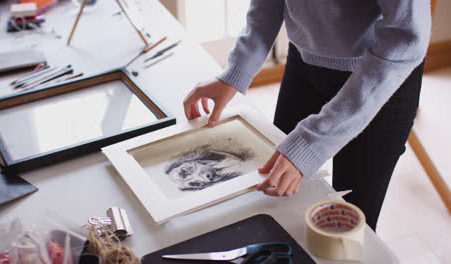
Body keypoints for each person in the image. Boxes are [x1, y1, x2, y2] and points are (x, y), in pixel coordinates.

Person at [183, 0, 431, 230]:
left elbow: (406, 40)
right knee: (274, 200)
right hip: (304, 63)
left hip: (379, 80)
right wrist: (235, 72)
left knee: (346, 227)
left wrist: (313, 142)